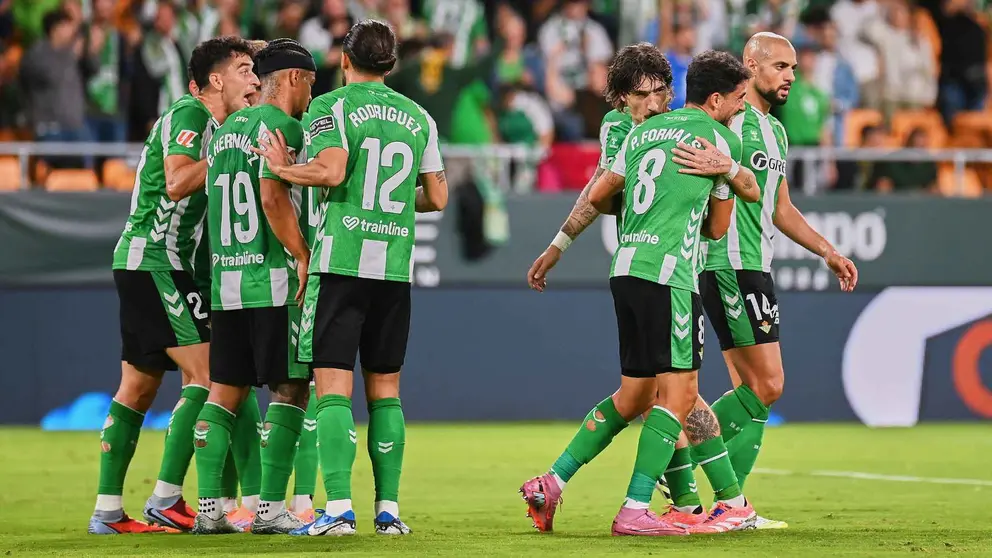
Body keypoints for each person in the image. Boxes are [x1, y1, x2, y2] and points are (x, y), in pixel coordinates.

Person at [521, 49, 756, 536]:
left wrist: (565, 241)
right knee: (680, 394)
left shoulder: (639, 134)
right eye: (738, 101)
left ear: (673, 93)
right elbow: (721, 225)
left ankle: (553, 482)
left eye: (659, 93)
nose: (652, 103)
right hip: (670, 273)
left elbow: (600, 192)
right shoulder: (712, 138)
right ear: (717, 100)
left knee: (636, 395)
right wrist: (726, 174)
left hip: (626, 266)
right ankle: (643, 508)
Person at [252, 20, 448, 536]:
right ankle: (388, 511)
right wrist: (394, 203)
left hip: (342, 264)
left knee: (332, 385)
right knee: (386, 390)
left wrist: (284, 168)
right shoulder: (419, 116)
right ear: (393, 64)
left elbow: (333, 171)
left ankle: (337, 509)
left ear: (345, 59)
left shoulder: (332, 107)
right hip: (394, 269)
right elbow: (438, 197)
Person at [675, 32, 858, 528]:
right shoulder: (730, 118)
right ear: (750, 65)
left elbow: (780, 207)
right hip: (727, 262)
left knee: (753, 390)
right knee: (769, 384)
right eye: (779, 66)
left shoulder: (775, 132)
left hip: (755, 265)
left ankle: (722, 507)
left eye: (794, 69)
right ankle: (680, 472)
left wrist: (827, 250)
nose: (790, 77)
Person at [91, 37, 259, 536]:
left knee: (138, 388)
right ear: (215, 81)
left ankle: (107, 511)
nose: (253, 82)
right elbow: (177, 181)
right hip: (155, 261)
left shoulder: (212, 123)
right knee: (214, 377)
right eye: (245, 70)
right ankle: (166, 499)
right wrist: (234, 149)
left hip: (160, 263)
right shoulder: (192, 115)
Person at [190, 38, 316, 536]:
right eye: (310, 83)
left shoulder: (221, 134)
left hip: (227, 282)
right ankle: (268, 510)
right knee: (291, 389)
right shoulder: (284, 127)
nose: (312, 95)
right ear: (292, 79)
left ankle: (209, 509)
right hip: (272, 281)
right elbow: (271, 197)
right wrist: (303, 254)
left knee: (222, 394)